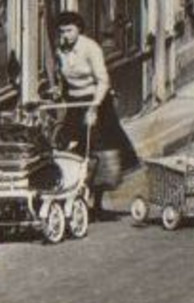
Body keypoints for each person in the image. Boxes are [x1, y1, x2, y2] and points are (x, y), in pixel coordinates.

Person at [52, 12, 139, 192]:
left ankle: (98, 195)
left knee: (99, 149)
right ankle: (77, 188)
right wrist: (58, 90)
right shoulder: (60, 49)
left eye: (69, 30)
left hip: (96, 101)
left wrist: (94, 108)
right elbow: (62, 76)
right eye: (62, 32)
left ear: (79, 30)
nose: (65, 35)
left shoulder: (91, 48)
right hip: (75, 103)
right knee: (72, 146)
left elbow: (103, 80)